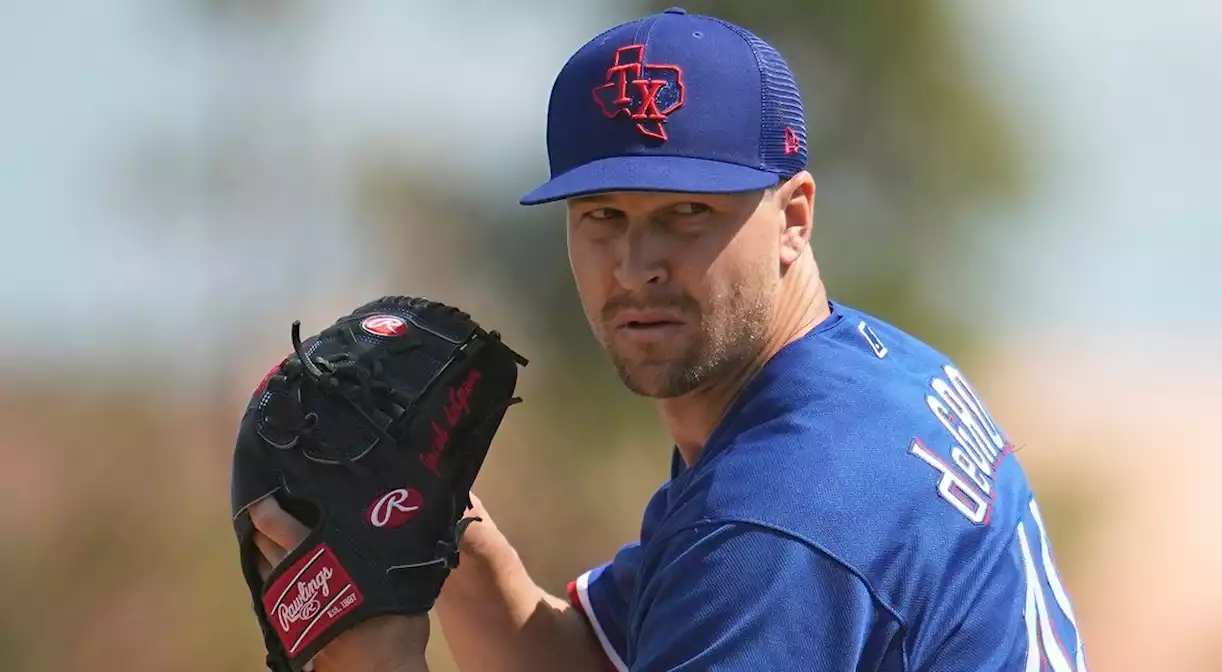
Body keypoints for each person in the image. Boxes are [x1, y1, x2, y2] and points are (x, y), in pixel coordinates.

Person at [249, 7, 1088, 671]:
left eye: (686, 213)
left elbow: (760, 557)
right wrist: (441, 526)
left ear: (793, 218)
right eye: (603, 217)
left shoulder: (779, 522)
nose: (636, 265)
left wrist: (376, 660)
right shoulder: (860, 376)